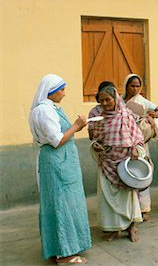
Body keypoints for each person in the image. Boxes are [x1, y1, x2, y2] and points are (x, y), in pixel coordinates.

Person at [29, 74, 91, 265]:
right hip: (57, 162)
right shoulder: (44, 111)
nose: (64, 94)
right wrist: (77, 126)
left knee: (68, 203)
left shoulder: (50, 108)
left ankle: (67, 246)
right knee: (61, 204)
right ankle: (64, 254)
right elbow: (57, 140)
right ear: (51, 91)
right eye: (61, 90)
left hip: (63, 162)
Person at [92, 86, 145, 242]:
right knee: (108, 198)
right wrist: (96, 146)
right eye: (101, 101)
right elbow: (97, 139)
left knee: (128, 196)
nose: (105, 103)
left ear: (115, 99)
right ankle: (115, 228)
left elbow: (138, 138)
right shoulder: (100, 119)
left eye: (107, 99)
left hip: (125, 164)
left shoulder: (126, 116)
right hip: (107, 163)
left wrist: (136, 149)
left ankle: (131, 227)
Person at [122, 73, 158, 221]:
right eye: (132, 86)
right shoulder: (119, 101)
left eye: (138, 86)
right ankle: (130, 209)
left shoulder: (141, 100)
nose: (135, 89)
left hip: (140, 143)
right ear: (126, 86)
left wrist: (152, 115)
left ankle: (144, 209)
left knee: (142, 172)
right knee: (128, 173)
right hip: (125, 143)